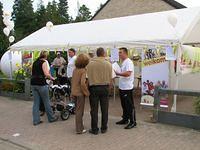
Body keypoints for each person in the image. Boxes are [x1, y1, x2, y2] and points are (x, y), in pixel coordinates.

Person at [87, 47, 112, 135]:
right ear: (104, 53)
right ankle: (104, 128)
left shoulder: (90, 64)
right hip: (105, 87)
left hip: (93, 88)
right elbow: (111, 78)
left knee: (94, 110)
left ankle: (95, 129)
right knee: (105, 109)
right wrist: (110, 88)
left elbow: (87, 77)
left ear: (97, 54)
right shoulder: (108, 64)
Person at [31, 51, 58, 126]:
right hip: (41, 84)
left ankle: (36, 121)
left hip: (33, 83)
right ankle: (51, 118)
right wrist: (52, 78)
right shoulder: (44, 62)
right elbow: (46, 74)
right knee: (46, 101)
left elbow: (32, 72)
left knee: (36, 103)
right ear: (46, 56)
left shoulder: (35, 62)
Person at [115, 47, 137, 129]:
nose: (119, 54)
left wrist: (118, 73)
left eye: (120, 52)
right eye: (119, 52)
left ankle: (133, 122)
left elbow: (128, 73)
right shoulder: (123, 62)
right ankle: (125, 119)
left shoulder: (129, 62)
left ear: (125, 53)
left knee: (129, 105)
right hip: (122, 87)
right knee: (124, 105)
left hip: (127, 88)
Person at [71, 54, 90, 134]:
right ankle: (79, 129)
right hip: (80, 93)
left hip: (74, 92)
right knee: (79, 111)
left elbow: (73, 81)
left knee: (77, 110)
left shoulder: (75, 69)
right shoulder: (83, 70)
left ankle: (80, 127)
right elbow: (82, 83)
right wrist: (87, 92)